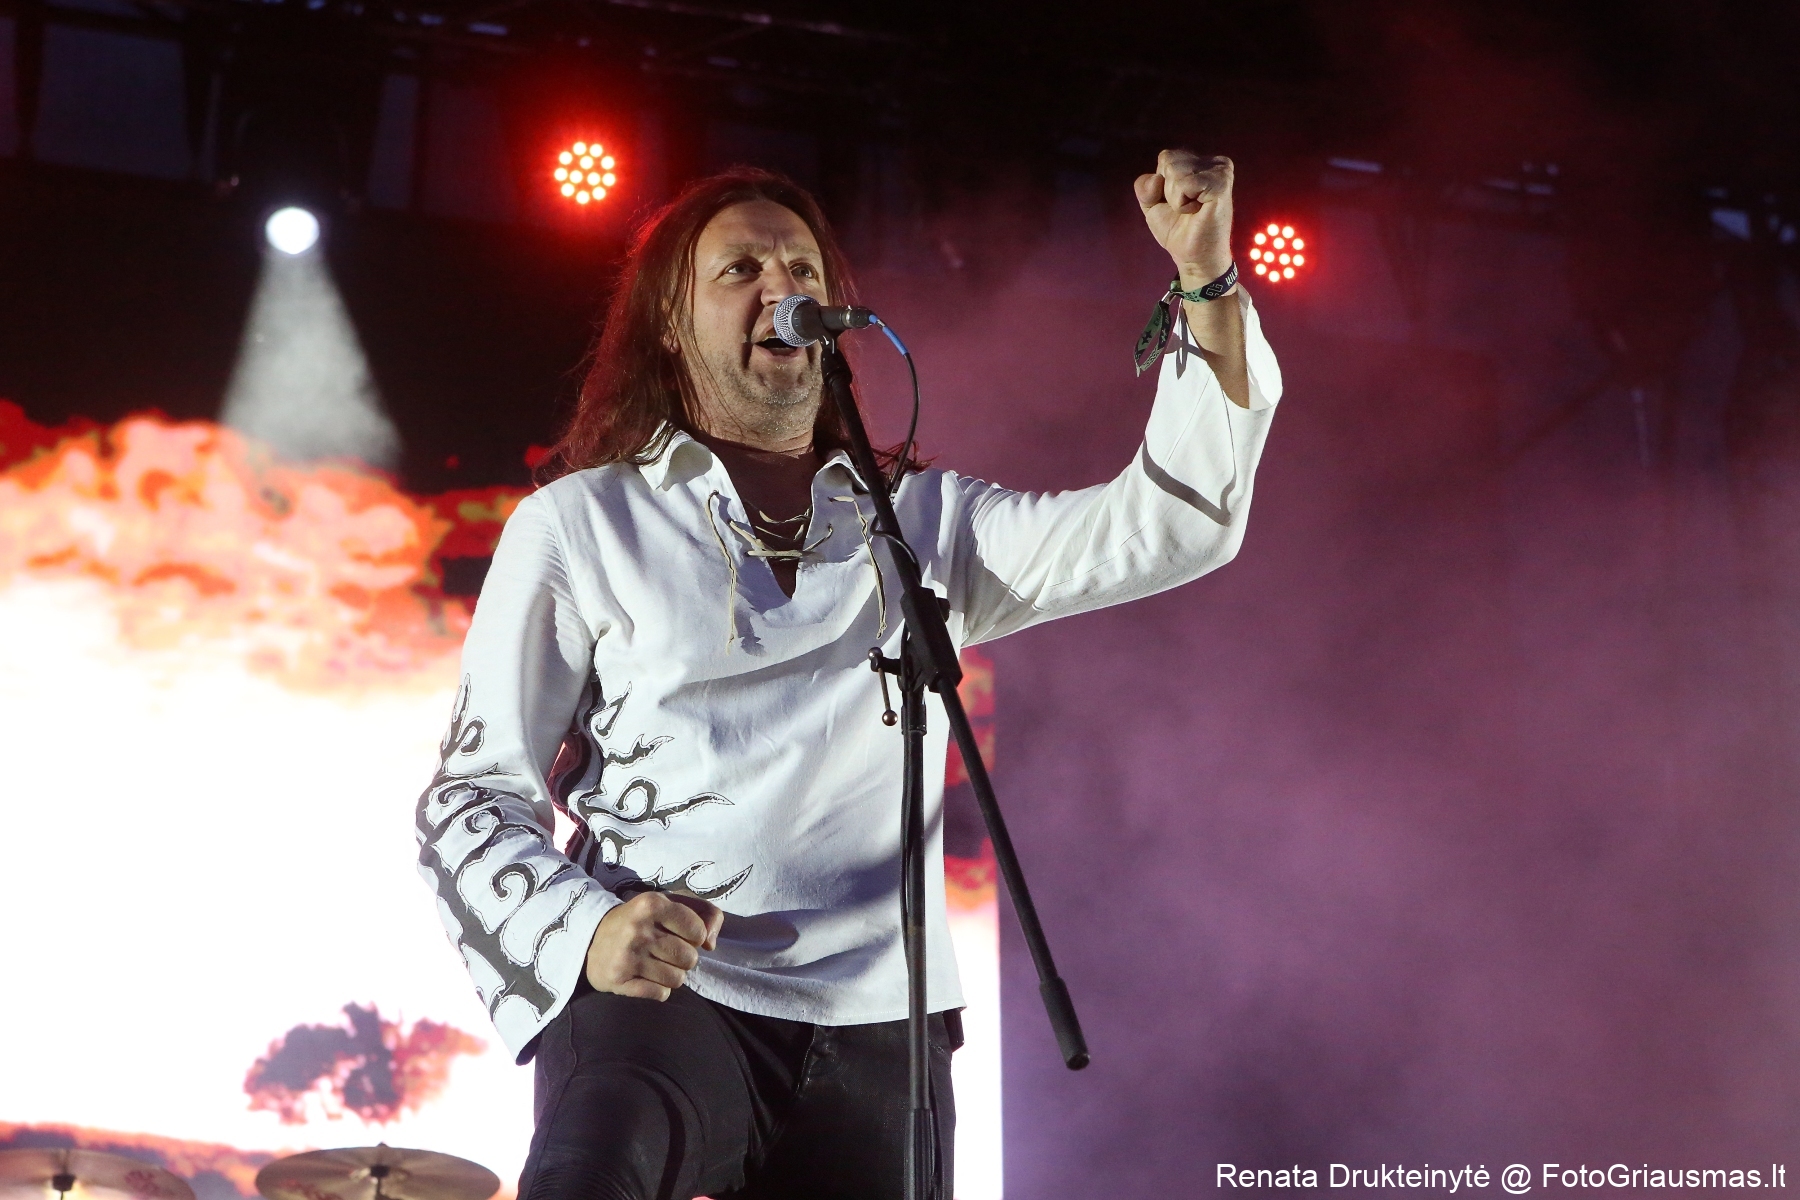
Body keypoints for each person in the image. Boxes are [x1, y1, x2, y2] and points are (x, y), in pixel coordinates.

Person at [415, 150, 1281, 1200]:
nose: (782, 288)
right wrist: (584, 932)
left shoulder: (921, 521)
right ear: (670, 324)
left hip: (885, 1022)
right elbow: (470, 795)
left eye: (803, 270)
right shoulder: (582, 522)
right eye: (741, 270)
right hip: (669, 994)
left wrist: (1206, 282)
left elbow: (1173, 526)